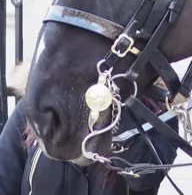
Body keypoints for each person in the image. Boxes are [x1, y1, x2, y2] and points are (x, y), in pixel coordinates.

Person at [0, 66, 179, 195]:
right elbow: (4, 178)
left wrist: (114, 103)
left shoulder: (158, 112)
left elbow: (143, 179)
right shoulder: (40, 103)